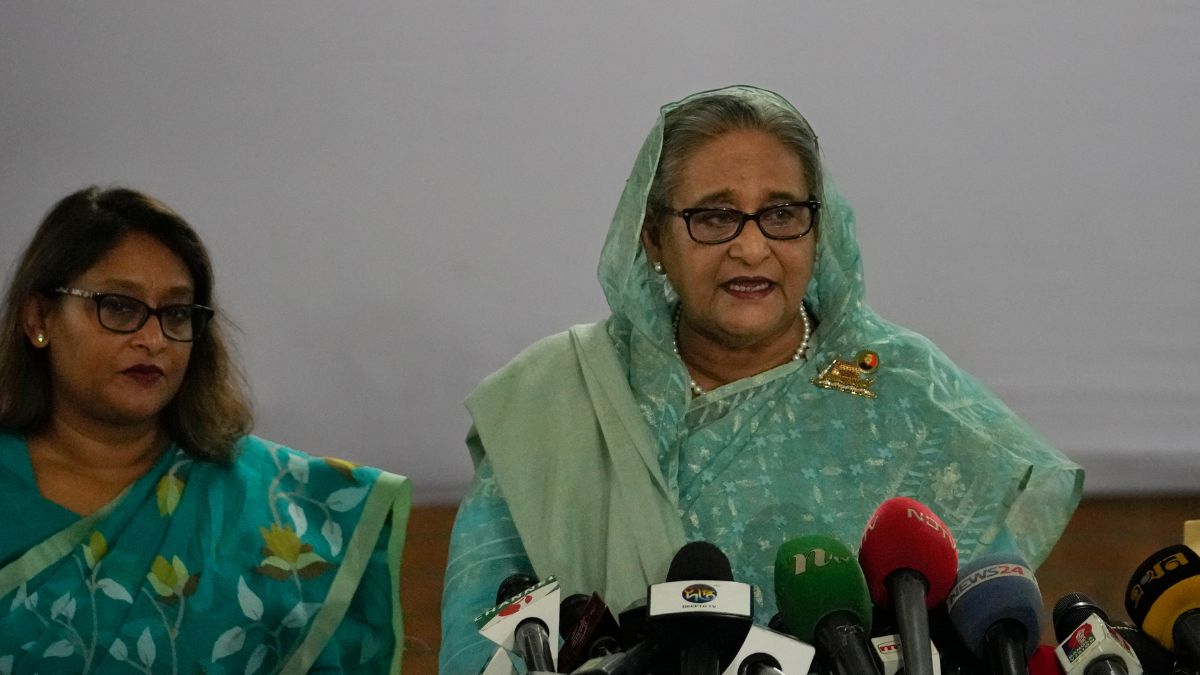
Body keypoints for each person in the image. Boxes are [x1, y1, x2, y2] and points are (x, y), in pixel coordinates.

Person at [439, 85, 1083, 671]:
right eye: (714, 217)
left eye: (781, 214)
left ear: (817, 228)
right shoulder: (555, 398)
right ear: (654, 238)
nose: (752, 247)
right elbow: (481, 640)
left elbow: (981, 615)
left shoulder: (908, 392)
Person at [0, 187, 410, 674]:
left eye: (176, 314)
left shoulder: (280, 508)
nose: (152, 339)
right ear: (39, 317)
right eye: (119, 306)